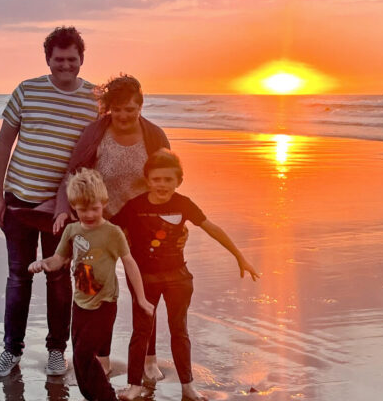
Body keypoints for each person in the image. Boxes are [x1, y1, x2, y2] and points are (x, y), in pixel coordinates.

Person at [0, 26, 100, 378]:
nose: (65, 66)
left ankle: (56, 350)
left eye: (72, 60)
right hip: (19, 201)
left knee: (58, 278)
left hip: (63, 210)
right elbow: (4, 143)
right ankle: (11, 350)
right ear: (48, 60)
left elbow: (100, 154)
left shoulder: (96, 99)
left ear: (82, 59)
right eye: (59, 60)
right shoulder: (27, 90)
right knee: (19, 278)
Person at [113, 149, 260, 401]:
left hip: (177, 278)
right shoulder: (134, 206)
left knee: (179, 331)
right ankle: (134, 385)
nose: (162, 185)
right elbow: (110, 232)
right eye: (156, 179)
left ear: (178, 181)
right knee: (141, 331)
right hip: (144, 279)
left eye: (168, 179)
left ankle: (188, 387)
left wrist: (239, 256)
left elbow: (211, 227)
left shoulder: (183, 204)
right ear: (147, 180)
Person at [57, 74, 172, 377]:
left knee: (143, 291)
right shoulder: (96, 133)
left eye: (130, 109)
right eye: (117, 109)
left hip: (142, 223)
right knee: (97, 292)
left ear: (140, 106)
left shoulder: (155, 135)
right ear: (108, 108)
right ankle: (101, 357)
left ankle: (148, 358)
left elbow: (166, 179)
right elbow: (75, 172)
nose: (123, 115)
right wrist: (68, 211)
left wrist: (173, 217)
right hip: (101, 223)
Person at [29, 169, 155, 401]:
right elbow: (59, 260)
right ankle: (93, 396)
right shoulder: (71, 230)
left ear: (104, 203)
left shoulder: (112, 233)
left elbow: (130, 263)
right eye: (82, 209)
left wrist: (142, 299)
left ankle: (107, 397)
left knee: (86, 353)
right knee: (79, 359)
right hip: (80, 303)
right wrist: (43, 263)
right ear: (73, 207)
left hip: (104, 304)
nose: (88, 214)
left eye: (94, 208)